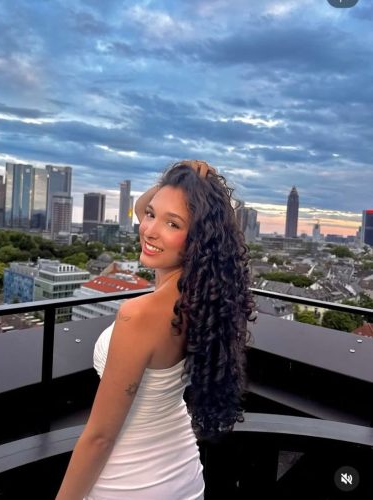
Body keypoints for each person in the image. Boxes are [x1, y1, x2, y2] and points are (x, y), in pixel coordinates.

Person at [56, 160, 254, 500]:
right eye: (151, 215)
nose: (148, 230)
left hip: (129, 483)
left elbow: (100, 438)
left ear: (199, 238)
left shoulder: (139, 314)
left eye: (172, 223)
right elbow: (141, 207)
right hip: (183, 473)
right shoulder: (203, 300)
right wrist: (184, 175)